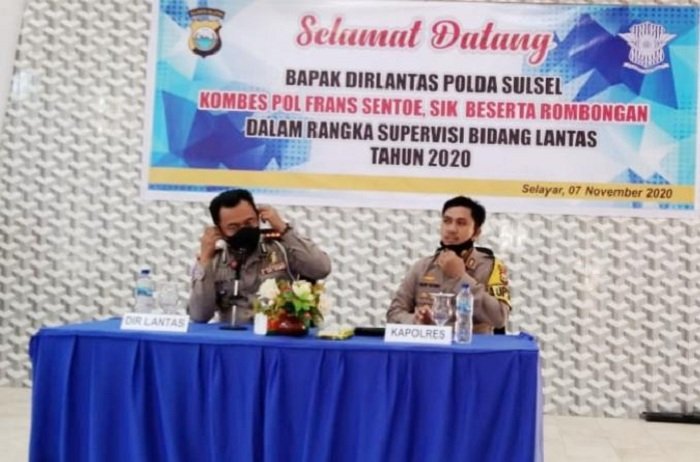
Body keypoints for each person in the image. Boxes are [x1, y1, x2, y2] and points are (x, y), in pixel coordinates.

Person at [188, 189, 332, 323]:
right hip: (234, 337)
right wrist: (205, 259)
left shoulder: (281, 247)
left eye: (249, 222)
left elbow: (321, 269)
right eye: (233, 227)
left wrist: (283, 228)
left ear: (258, 217)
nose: (244, 230)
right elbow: (199, 316)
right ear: (219, 230)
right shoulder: (214, 260)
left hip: (279, 333)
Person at [387, 196, 510, 334]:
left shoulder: (491, 267)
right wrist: (415, 320)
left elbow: (500, 318)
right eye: (447, 221)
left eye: (461, 223)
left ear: (476, 232)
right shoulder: (422, 267)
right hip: (430, 344)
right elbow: (394, 313)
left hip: (472, 345)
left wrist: (461, 277)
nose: (451, 229)